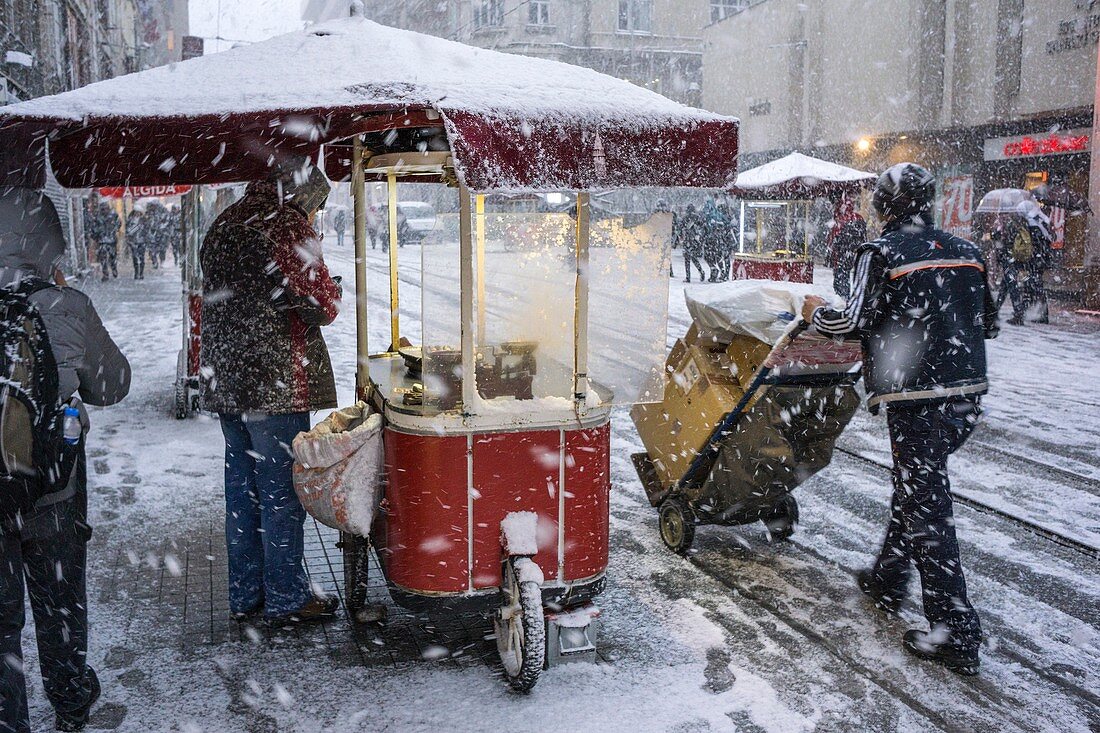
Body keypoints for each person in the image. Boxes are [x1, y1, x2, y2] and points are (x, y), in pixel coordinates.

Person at [803, 163, 998, 676]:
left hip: (915, 397)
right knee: (918, 483)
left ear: (886, 207)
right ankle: (889, 575)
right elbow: (991, 324)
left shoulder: (882, 253)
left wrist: (812, 314)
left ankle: (953, 627)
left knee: (926, 499)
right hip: (967, 396)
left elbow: (851, 322)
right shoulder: (970, 252)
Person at [0, 186, 131, 732]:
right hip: (53, 488)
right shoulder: (67, 305)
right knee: (59, 603)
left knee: (2, 627)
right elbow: (114, 384)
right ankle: (72, 700)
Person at [200, 163, 342, 627]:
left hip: (227, 380)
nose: (316, 217)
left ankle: (246, 594)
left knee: (242, 494)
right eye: (316, 206)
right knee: (280, 493)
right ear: (304, 196)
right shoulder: (284, 225)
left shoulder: (227, 220)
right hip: (273, 383)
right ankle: (286, 597)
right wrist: (330, 286)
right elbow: (322, 305)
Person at [1018, 200, 1053, 325]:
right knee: (1033, 285)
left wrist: (1032, 257)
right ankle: (1026, 312)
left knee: (1034, 286)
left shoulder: (1033, 223)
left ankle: (1026, 312)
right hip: (1039, 259)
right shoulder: (1039, 219)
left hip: (1036, 260)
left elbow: (1034, 243)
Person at [826, 193, 868, 299]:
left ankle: (843, 301)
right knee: (852, 281)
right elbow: (863, 237)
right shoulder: (857, 218)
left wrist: (831, 255)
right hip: (853, 255)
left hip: (841, 257)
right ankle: (850, 300)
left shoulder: (840, 220)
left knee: (841, 282)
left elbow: (834, 240)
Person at [84, 198, 119, 281]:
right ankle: (105, 273)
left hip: (111, 240)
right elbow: (93, 227)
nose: (104, 210)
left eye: (105, 208)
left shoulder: (113, 215)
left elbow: (118, 224)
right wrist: (96, 235)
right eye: (103, 208)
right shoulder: (97, 216)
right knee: (103, 258)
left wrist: (113, 230)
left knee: (112, 256)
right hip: (102, 240)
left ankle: (114, 269)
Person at [678, 204, 706, 283]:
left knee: (687, 259)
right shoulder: (697, 218)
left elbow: (680, 229)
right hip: (695, 241)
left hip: (688, 240)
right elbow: (703, 227)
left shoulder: (685, 218)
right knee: (694, 258)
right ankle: (701, 271)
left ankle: (688, 277)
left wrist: (681, 237)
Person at [125, 204, 149, 280]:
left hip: (142, 242)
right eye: (136, 212)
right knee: (135, 258)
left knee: (141, 258)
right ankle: (136, 272)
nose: (137, 214)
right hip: (133, 242)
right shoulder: (130, 220)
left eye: (139, 212)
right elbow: (128, 231)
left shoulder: (144, 220)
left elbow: (147, 230)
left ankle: (141, 273)